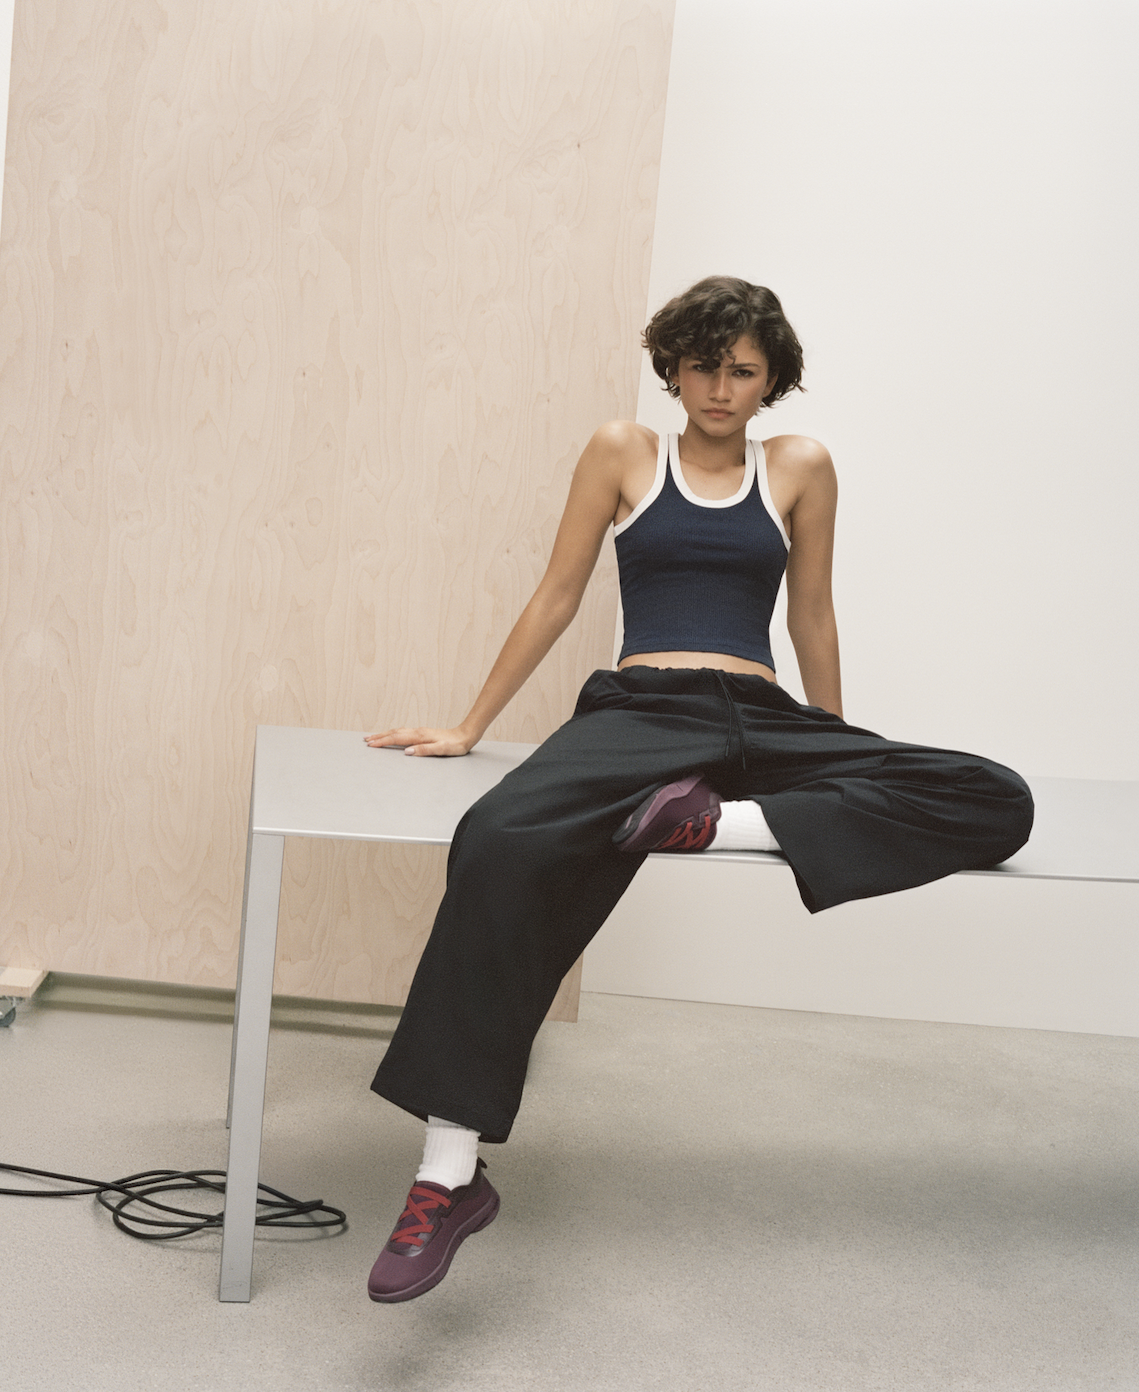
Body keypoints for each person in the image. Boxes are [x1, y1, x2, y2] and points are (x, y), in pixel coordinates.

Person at [360, 275, 1033, 1304]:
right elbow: (558, 592)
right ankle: (448, 1174)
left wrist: (834, 741)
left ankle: (716, 824)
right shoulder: (623, 452)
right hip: (643, 707)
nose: (721, 388)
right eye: (703, 366)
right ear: (672, 367)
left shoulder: (799, 466)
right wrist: (469, 726)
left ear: (771, 381)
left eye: (743, 371)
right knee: (496, 835)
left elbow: (811, 612)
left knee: (994, 796)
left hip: (760, 714)